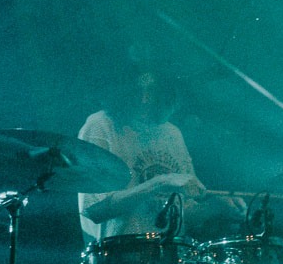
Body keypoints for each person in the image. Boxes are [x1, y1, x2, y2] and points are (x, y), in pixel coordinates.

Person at [77, 53, 244, 244]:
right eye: (138, 91)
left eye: (153, 91)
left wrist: (215, 207)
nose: (145, 100)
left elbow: (183, 212)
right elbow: (94, 210)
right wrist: (160, 183)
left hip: (171, 250)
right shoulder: (100, 126)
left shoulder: (172, 133)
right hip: (121, 252)